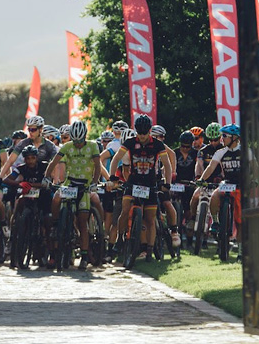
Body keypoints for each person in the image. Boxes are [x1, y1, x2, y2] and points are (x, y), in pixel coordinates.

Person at [107, 114, 173, 262]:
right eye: (140, 133)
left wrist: (167, 183)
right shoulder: (130, 142)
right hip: (133, 181)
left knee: (150, 219)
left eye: (145, 133)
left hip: (150, 183)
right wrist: (113, 177)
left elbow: (167, 164)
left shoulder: (157, 144)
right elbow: (116, 158)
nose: (142, 136)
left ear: (149, 130)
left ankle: (149, 251)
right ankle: (119, 240)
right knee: (124, 211)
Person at [44, 120, 101, 270]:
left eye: (80, 141)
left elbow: (97, 166)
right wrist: (46, 177)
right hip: (70, 183)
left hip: (85, 185)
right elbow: (53, 162)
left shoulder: (93, 146)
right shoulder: (67, 146)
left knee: (82, 222)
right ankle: (57, 223)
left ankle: (84, 256)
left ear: (85, 137)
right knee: (56, 198)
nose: (78, 144)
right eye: (75, 141)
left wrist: (94, 182)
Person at [199, 124, 242, 246]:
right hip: (227, 183)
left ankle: (240, 250)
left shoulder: (244, 151)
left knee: (240, 222)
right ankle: (216, 222)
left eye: (224, 136)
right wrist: (202, 179)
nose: (221, 138)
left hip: (241, 185)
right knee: (214, 196)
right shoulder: (221, 152)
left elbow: (255, 167)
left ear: (234, 138)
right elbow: (210, 167)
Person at [174, 130, 199, 246]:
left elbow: (199, 167)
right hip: (176, 183)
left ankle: (189, 240)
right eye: (182, 146)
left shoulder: (196, 154)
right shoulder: (174, 153)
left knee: (189, 212)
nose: (185, 149)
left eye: (187, 147)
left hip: (190, 184)